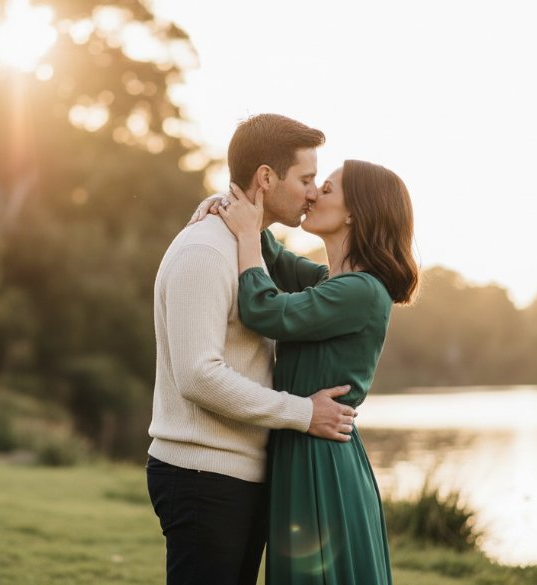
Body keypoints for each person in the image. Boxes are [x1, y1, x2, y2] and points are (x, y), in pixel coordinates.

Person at [146, 114, 360, 585]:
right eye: (306, 179)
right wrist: (304, 413)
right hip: (202, 476)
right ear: (266, 177)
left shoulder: (248, 249)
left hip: (239, 476)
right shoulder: (204, 251)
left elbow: (327, 285)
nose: (311, 192)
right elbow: (199, 375)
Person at [213, 159, 418, 584]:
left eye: (325, 189)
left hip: (321, 457)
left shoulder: (360, 291)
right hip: (306, 445)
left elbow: (262, 309)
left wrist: (249, 233)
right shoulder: (334, 281)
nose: (312, 195)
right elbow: (278, 260)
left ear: (353, 212)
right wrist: (241, 202)